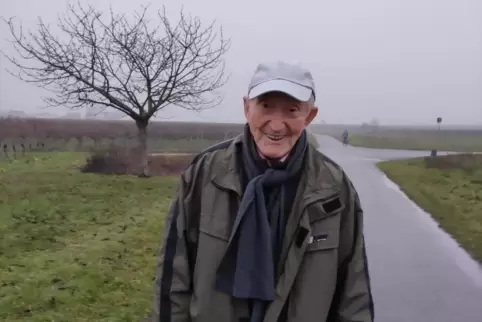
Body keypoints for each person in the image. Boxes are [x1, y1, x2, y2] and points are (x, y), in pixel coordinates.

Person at [151, 61, 374, 322]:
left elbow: (352, 293)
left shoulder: (334, 189)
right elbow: (173, 279)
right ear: (247, 108)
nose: (276, 126)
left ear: (310, 116)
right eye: (265, 107)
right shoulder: (205, 175)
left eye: (291, 111)